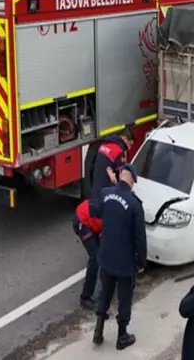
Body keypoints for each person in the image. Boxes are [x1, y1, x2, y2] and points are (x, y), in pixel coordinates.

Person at [93, 163, 147, 350]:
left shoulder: (105, 194)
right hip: (124, 262)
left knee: (105, 292)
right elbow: (140, 237)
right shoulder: (135, 204)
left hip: (106, 255)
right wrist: (141, 261)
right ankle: (122, 336)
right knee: (124, 298)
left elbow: (99, 213)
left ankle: (98, 331)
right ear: (131, 180)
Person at [72, 166, 117, 310]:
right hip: (83, 221)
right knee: (96, 258)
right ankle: (85, 297)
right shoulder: (113, 216)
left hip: (95, 223)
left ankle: (106, 289)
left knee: (104, 255)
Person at [88, 126, 135, 218]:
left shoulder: (103, 146)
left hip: (95, 197)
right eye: (130, 144)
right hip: (107, 199)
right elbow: (122, 178)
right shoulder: (119, 152)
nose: (129, 148)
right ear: (124, 138)